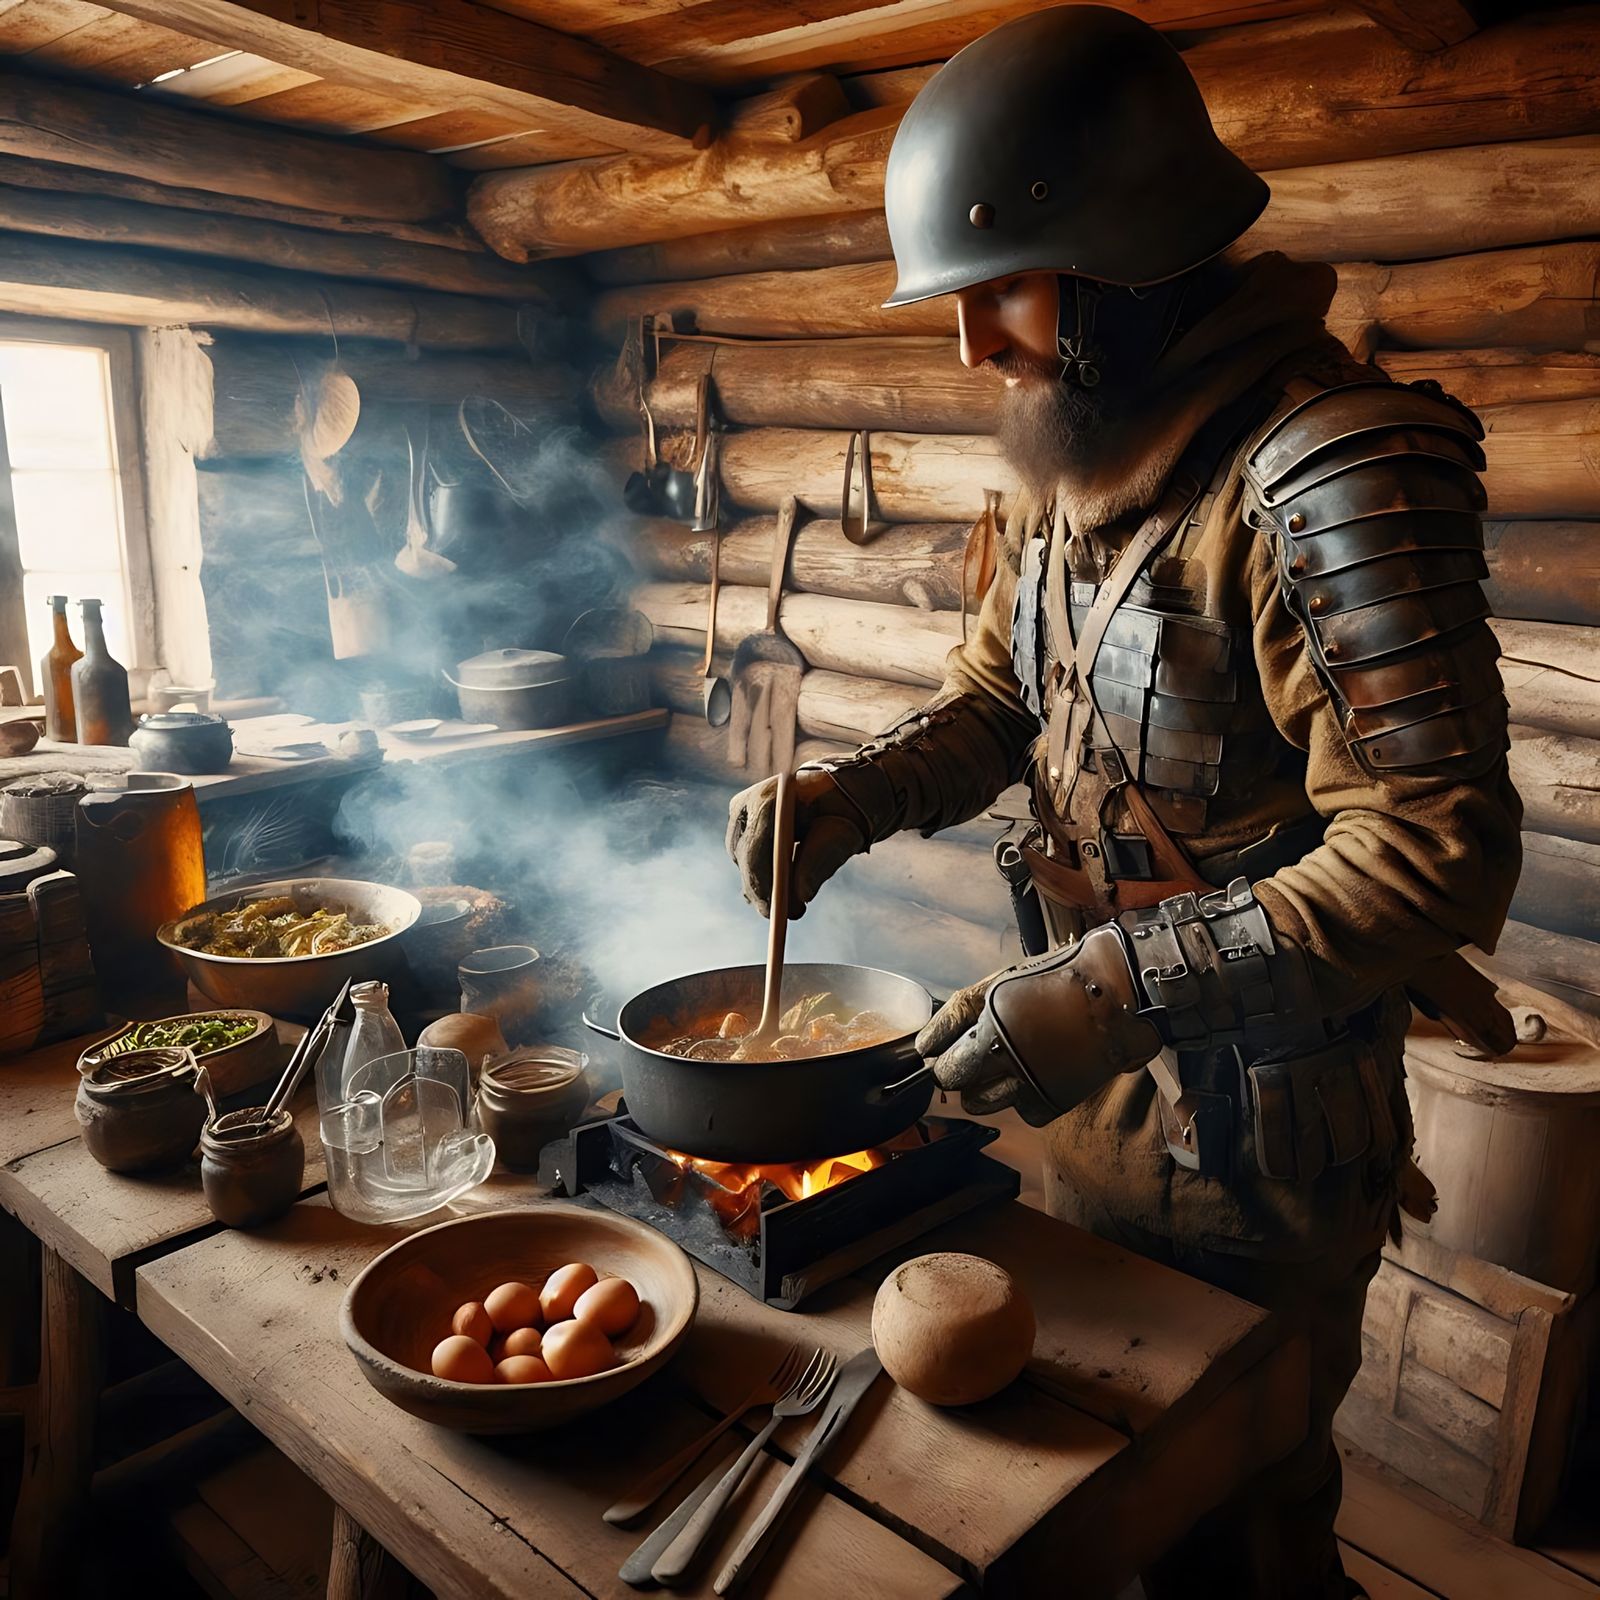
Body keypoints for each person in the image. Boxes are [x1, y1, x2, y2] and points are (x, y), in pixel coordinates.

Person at [725, 7, 1522, 1597]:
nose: (973, 350)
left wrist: (1107, 987)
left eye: (996, 294)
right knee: (1101, 1494)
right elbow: (1002, 701)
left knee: (1245, 1504)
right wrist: (851, 797)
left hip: (1267, 1129)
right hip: (1092, 1107)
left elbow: (1433, 852)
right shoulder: (1065, 469)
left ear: (1130, 257)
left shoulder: (1331, 470)